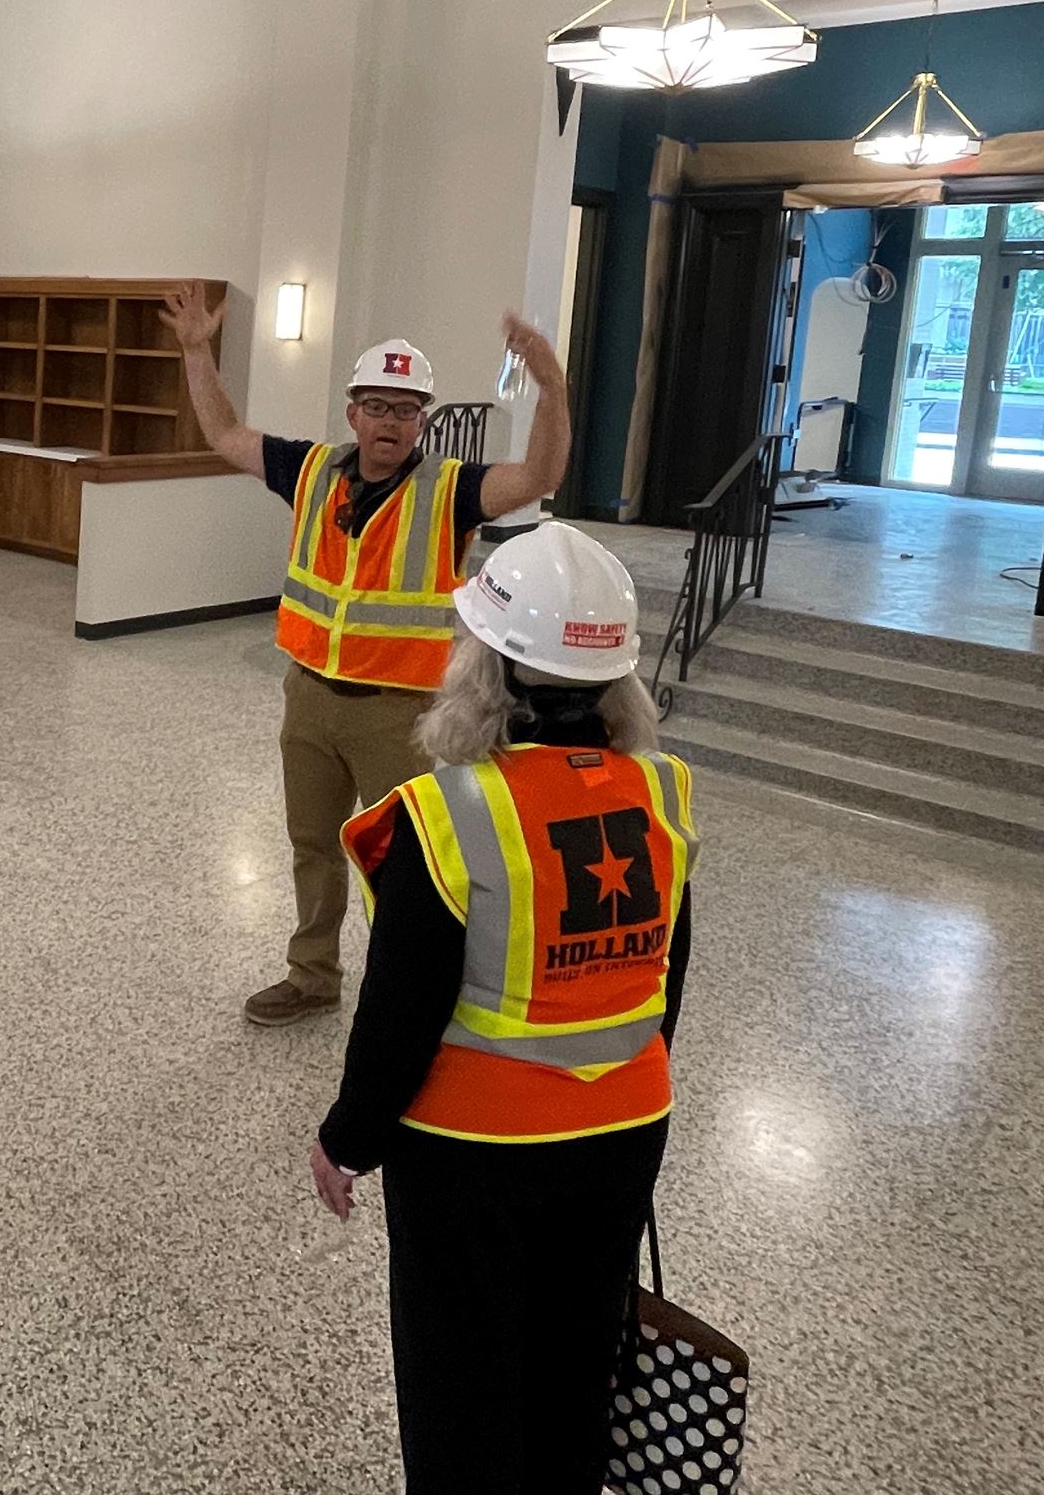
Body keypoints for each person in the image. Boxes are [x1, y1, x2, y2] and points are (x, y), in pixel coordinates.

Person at [309, 523, 694, 1493]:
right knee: (572, 1374)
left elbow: (397, 1013)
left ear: (482, 666)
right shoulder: (661, 794)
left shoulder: (444, 814)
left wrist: (345, 1140)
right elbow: (661, 978)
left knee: (459, 1391)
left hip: (469, 1156)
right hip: (623, 1131)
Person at [159, 283, 570, 1026]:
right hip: (309, 698)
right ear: (352, 411)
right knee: (312, 846)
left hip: (398, 714)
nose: (390, 421)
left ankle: (407, 989)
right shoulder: (311, 470)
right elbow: (224, 434)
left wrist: (552, 388)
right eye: (376, 405)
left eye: (406, 409)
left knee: (403, 864)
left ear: (423, 420)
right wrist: (197, 352)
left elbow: (540, 476)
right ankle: (312, 974)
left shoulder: (452, 491)